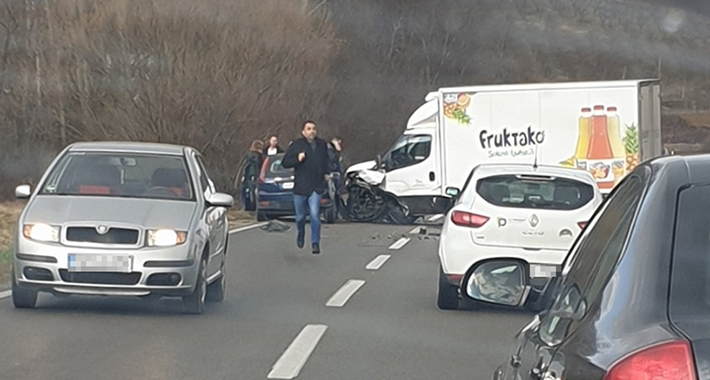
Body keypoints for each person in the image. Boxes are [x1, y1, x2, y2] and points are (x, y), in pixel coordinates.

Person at [282, 121, 330, 254]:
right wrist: (297, 158)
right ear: (303, 132)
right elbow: (285, 163)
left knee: (315, 215)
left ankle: (315, 243)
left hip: (316, 185)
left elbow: (326, 160)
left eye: (314, 129)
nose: (312, 131)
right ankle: (301, 233)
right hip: (301, 187)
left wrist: (326, 173)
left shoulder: (322, 144)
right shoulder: (297, 145)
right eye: (309, 129)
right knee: (300, 217)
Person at [241, 140, 264, 211]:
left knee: (247, 191)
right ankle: (253, 206)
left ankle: (246, 206)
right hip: (254, 174)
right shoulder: (257, 156)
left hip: (248, 175)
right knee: (254, 191)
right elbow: (257, 165)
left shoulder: (249, 155)